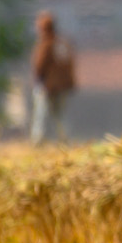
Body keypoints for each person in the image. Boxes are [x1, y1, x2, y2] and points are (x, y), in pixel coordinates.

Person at [29, 11, 75, 144]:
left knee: (40, 114)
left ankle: (37, 140)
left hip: (46, 85)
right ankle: (65, 139)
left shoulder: (45, 45)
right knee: (60, 114)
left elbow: (39, 65)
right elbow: (69, 64)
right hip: (62, 86)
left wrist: (38, 79)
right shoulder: (63, 44)